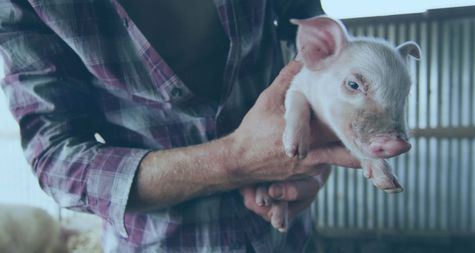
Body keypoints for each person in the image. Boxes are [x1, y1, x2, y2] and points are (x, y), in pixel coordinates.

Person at [0, 0, 359, 252]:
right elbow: (56, 160)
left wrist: (314, 158)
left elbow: (310, 22)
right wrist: (235, 160)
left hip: (287, 234)